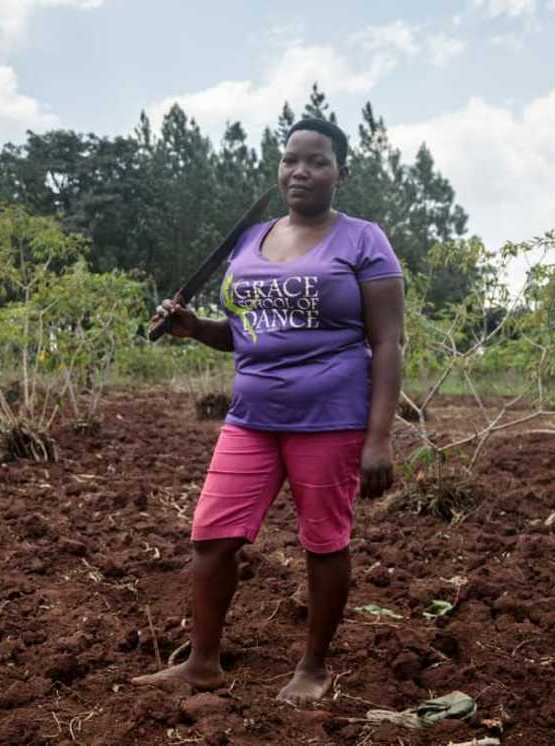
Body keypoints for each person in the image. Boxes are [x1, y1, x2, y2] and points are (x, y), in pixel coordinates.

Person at [132, 117, 405, 704]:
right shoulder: (249, 238)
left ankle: (313, 668)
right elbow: (245, 333)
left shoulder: (362, 239)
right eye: (290, 160)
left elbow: (388, 342)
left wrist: (379, 438)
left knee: (324, 542)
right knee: (212, 537)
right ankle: (202, 662)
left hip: (330, 417)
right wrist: (193, 328)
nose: (300, 171)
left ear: (342, 172)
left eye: (317, 161)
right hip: (251, 415)